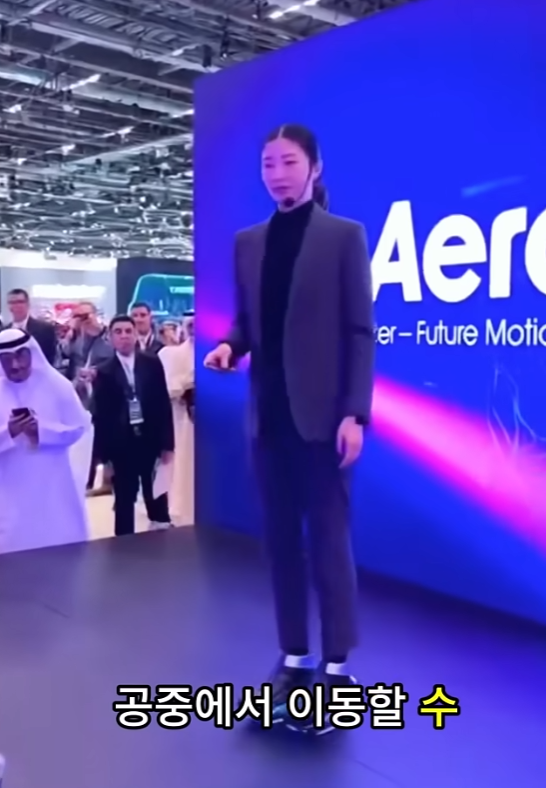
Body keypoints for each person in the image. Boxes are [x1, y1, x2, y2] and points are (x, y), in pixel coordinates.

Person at [204, 124, 375, 734]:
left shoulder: (343, 236)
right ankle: (295, 656)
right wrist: (229, 346)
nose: (277, 174)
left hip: (325, 420)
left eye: (289, 162)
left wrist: (355, 412)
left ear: (315, 167)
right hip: (268, 416)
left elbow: (359, 332)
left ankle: (337, 666)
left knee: (329, 543)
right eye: (269, 164)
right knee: (279, 544)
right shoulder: (248, 242)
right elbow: (247, 323)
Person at [0, 328, 90, 553]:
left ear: (32, 354)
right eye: (7, 359)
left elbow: (78, 427)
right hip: (8, 485)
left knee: (55, 542)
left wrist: (41, 431)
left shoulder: (57, 385)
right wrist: (8, 432)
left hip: (52, 481)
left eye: (21, 356)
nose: (16, 365)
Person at [92, 315, 174, 536]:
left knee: (156, 493)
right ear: (110, 337)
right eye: (118, 332)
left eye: (128, 331)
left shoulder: (152, 363)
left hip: (150, 438)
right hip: (122, 444)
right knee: (124, 499)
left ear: (136, 334)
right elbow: (101, 415)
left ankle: (162, 534)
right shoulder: (104, 370)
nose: (124, 336)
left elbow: (163, 403)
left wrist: (168, 444)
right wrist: (104, 456)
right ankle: (124, 545)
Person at [61, 302, 113, 495]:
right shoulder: (75, 336)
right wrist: (71, 332)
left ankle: (107, 479)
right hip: (78, 392)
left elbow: (111, 355)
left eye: (86, 315)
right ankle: (83, 480)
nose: (83, 320)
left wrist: (95, 329)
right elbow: (64, 355)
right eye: (79, 316)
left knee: (102, 436)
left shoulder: (105, 334)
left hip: (101, 391)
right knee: (81, 438)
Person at [159, 313, 194, 526]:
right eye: (191, 325)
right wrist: (187, 384)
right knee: (182, 466)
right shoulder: (171, 354)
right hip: (182, 421)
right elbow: (168, 387)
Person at [6, 288, 57, 365]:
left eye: (20, 302)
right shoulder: (4, 332)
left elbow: (50, 358)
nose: (16, 306)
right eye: (12, 302)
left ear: (28, 304)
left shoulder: (45, 329)